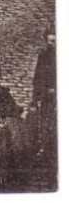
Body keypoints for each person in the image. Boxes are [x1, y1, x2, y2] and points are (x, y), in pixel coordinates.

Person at [32, 30, 57, 161]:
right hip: (46, 95)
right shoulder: (43, 55)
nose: (53, 44)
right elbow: (37, 77)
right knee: (44, 121)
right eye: (51, 41)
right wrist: (35, 97)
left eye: (55, 41)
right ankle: (44, 147)